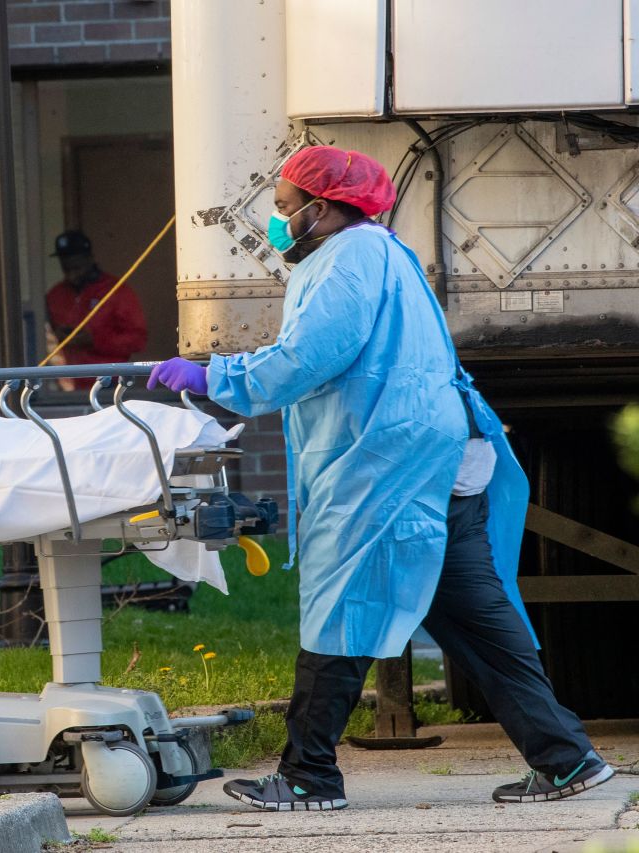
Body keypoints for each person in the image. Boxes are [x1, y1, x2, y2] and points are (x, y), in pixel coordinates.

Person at [148, 146, 613, 811]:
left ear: (323, 207)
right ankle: (567, 758)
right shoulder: (383, 252)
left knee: (343, 607)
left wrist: (215, 376)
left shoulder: (351, 259)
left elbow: (309, 356)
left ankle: (308, 774)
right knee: (478, 621)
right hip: (433, 460)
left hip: (389, 467)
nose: (277, 222)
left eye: (284, 209)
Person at [46, 230, 147, 389]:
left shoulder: (116, 291)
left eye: (77, 267)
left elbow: (138, 340)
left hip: (110, 382)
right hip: (66, 385)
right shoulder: (55, 295)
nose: (72, 274)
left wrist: (94, 340)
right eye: (66, 268)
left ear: (90, 258)